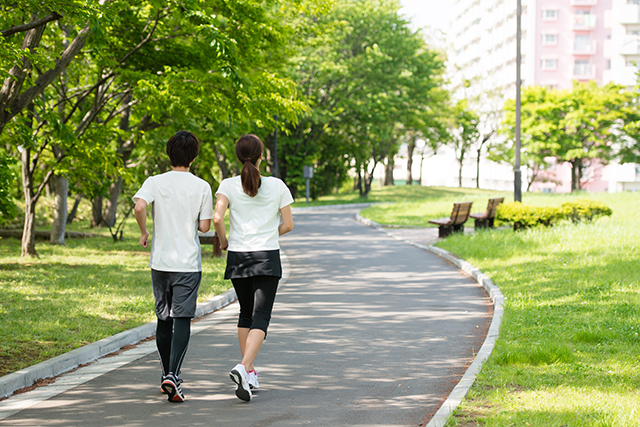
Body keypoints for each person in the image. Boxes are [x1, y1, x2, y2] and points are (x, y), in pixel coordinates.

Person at [133, 130, 213, 403]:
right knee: (182, 319)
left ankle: (167, 374)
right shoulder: (202, 186)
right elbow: (204, 227)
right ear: (194, 156)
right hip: (188, 263)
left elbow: (140, 206)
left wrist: (144, 232)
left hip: (161, 262)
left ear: (169, 154)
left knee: (163, 319)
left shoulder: (155, 182)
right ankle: (173, 375)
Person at [213, 134, 294, 402]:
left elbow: (217, 218)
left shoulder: (227, 184)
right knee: (262, 316)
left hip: (238, 256)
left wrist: (225, 241)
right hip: (267, 255)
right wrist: (270, 233)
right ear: (262, 156)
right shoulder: (277, 185)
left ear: (238, 156)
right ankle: (243, 366)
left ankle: (248, 372)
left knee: (245, 313)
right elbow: (288, 224)